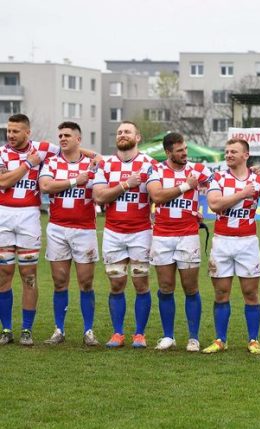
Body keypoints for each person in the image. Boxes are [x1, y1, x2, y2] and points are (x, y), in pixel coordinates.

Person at [93, 121, 157, 348]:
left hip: (141, 232)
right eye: (119, 132)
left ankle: (140, 334)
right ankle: (117, 333)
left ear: (137, 137)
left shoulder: (150, 164)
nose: (122, 134)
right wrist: (125, 184)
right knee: (116, 284)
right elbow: (99, 196)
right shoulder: (106, 165)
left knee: (141, 283)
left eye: (127, 131)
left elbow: (157, 194)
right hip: (113, 232)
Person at [147, 132, 212, 352]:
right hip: (162, 236)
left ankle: (193, 338)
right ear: (168, 152)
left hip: (188, 235)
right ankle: (168, 336)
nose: (185, 153)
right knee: (166, 287)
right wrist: (186, 186)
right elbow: (157, 196)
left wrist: (253, 173)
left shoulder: (198, 170)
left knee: (190, 288)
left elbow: (224, 179)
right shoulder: (156, 170)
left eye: (185, 149)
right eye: (179, 150)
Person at [202, 138, 260, 354]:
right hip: (222, 241)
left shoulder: (258, 181)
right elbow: (214, 204)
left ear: (245, 155)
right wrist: (242, 193)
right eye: (227, 151)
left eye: (234, 151)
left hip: (248, 242)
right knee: (221, 293)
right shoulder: (218, 178)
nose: (228, 155)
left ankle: (253, 340)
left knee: (251, 292)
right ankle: (220, 339)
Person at [0, 114, 60, 346]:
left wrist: (95, 157)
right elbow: (3, 182)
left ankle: (26, 329)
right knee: (4, 274)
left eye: (15, 131)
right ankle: (6, 329)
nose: (10, 135)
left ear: (28, 132)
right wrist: (29, 163)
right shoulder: (2, 153)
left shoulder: (43, 148)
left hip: (29, 217)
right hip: (4, 214)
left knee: (29, 275)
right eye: (9, 130)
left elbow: (69, 150)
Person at [39, 122, 99, 346]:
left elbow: (103, 162)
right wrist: (75, 181)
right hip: (57, 228)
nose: (62, 138)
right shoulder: (52, 162)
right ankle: (59, 330)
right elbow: (46, 186)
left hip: (85, 229)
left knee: (86, 282)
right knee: (59, 281)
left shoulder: (93, 164)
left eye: (67, 135)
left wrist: (93, 159)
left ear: (78, 139)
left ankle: (89, 331)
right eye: (60, 135)